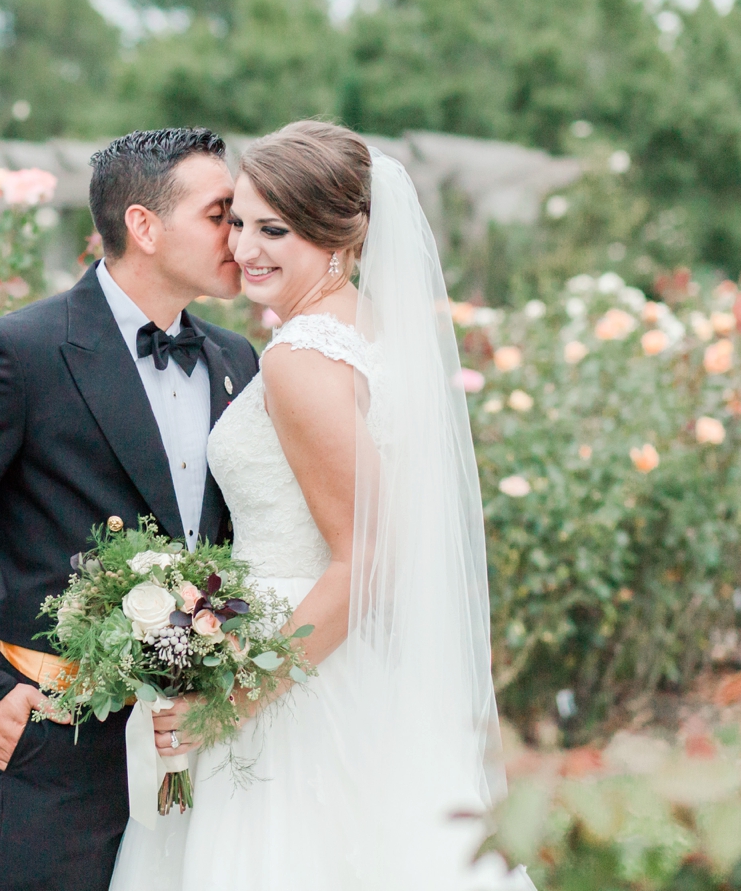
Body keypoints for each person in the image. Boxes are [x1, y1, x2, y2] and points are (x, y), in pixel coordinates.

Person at [112, 121, 531, 890]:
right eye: (237, 222)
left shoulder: (302, 358)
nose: (245, 248)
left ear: (337, 236)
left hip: (293, 686)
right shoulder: (369, 332)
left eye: (276, 229)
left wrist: (226, 706)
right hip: (352, 665)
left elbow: (368, 556)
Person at [0, 128, 260, 891]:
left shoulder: (235, 360)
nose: (238, 236)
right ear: (144, 226)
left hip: (194, 737)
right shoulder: (20, 352)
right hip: (53, 738)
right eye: (220, 215)